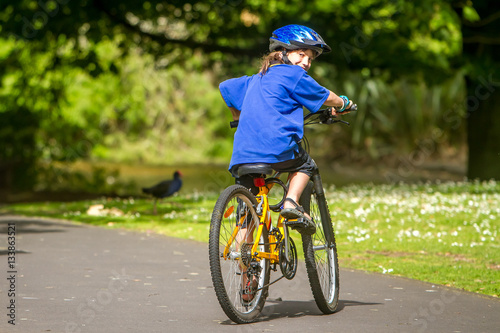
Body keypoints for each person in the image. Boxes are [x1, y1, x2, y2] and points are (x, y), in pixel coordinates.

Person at [219, 24, 355, 234]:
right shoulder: (291, 75)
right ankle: (291, 202)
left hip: (242, 154)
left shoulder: (255, 79)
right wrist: (343, 103)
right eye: (301, 54)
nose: (306, 62)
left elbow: (226, 87)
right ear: (283, 52)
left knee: (247, 218)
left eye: (310, 58)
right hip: (277, 149)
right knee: (306, 165)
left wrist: (238, 120)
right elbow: (326, 96)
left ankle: (242, 263)